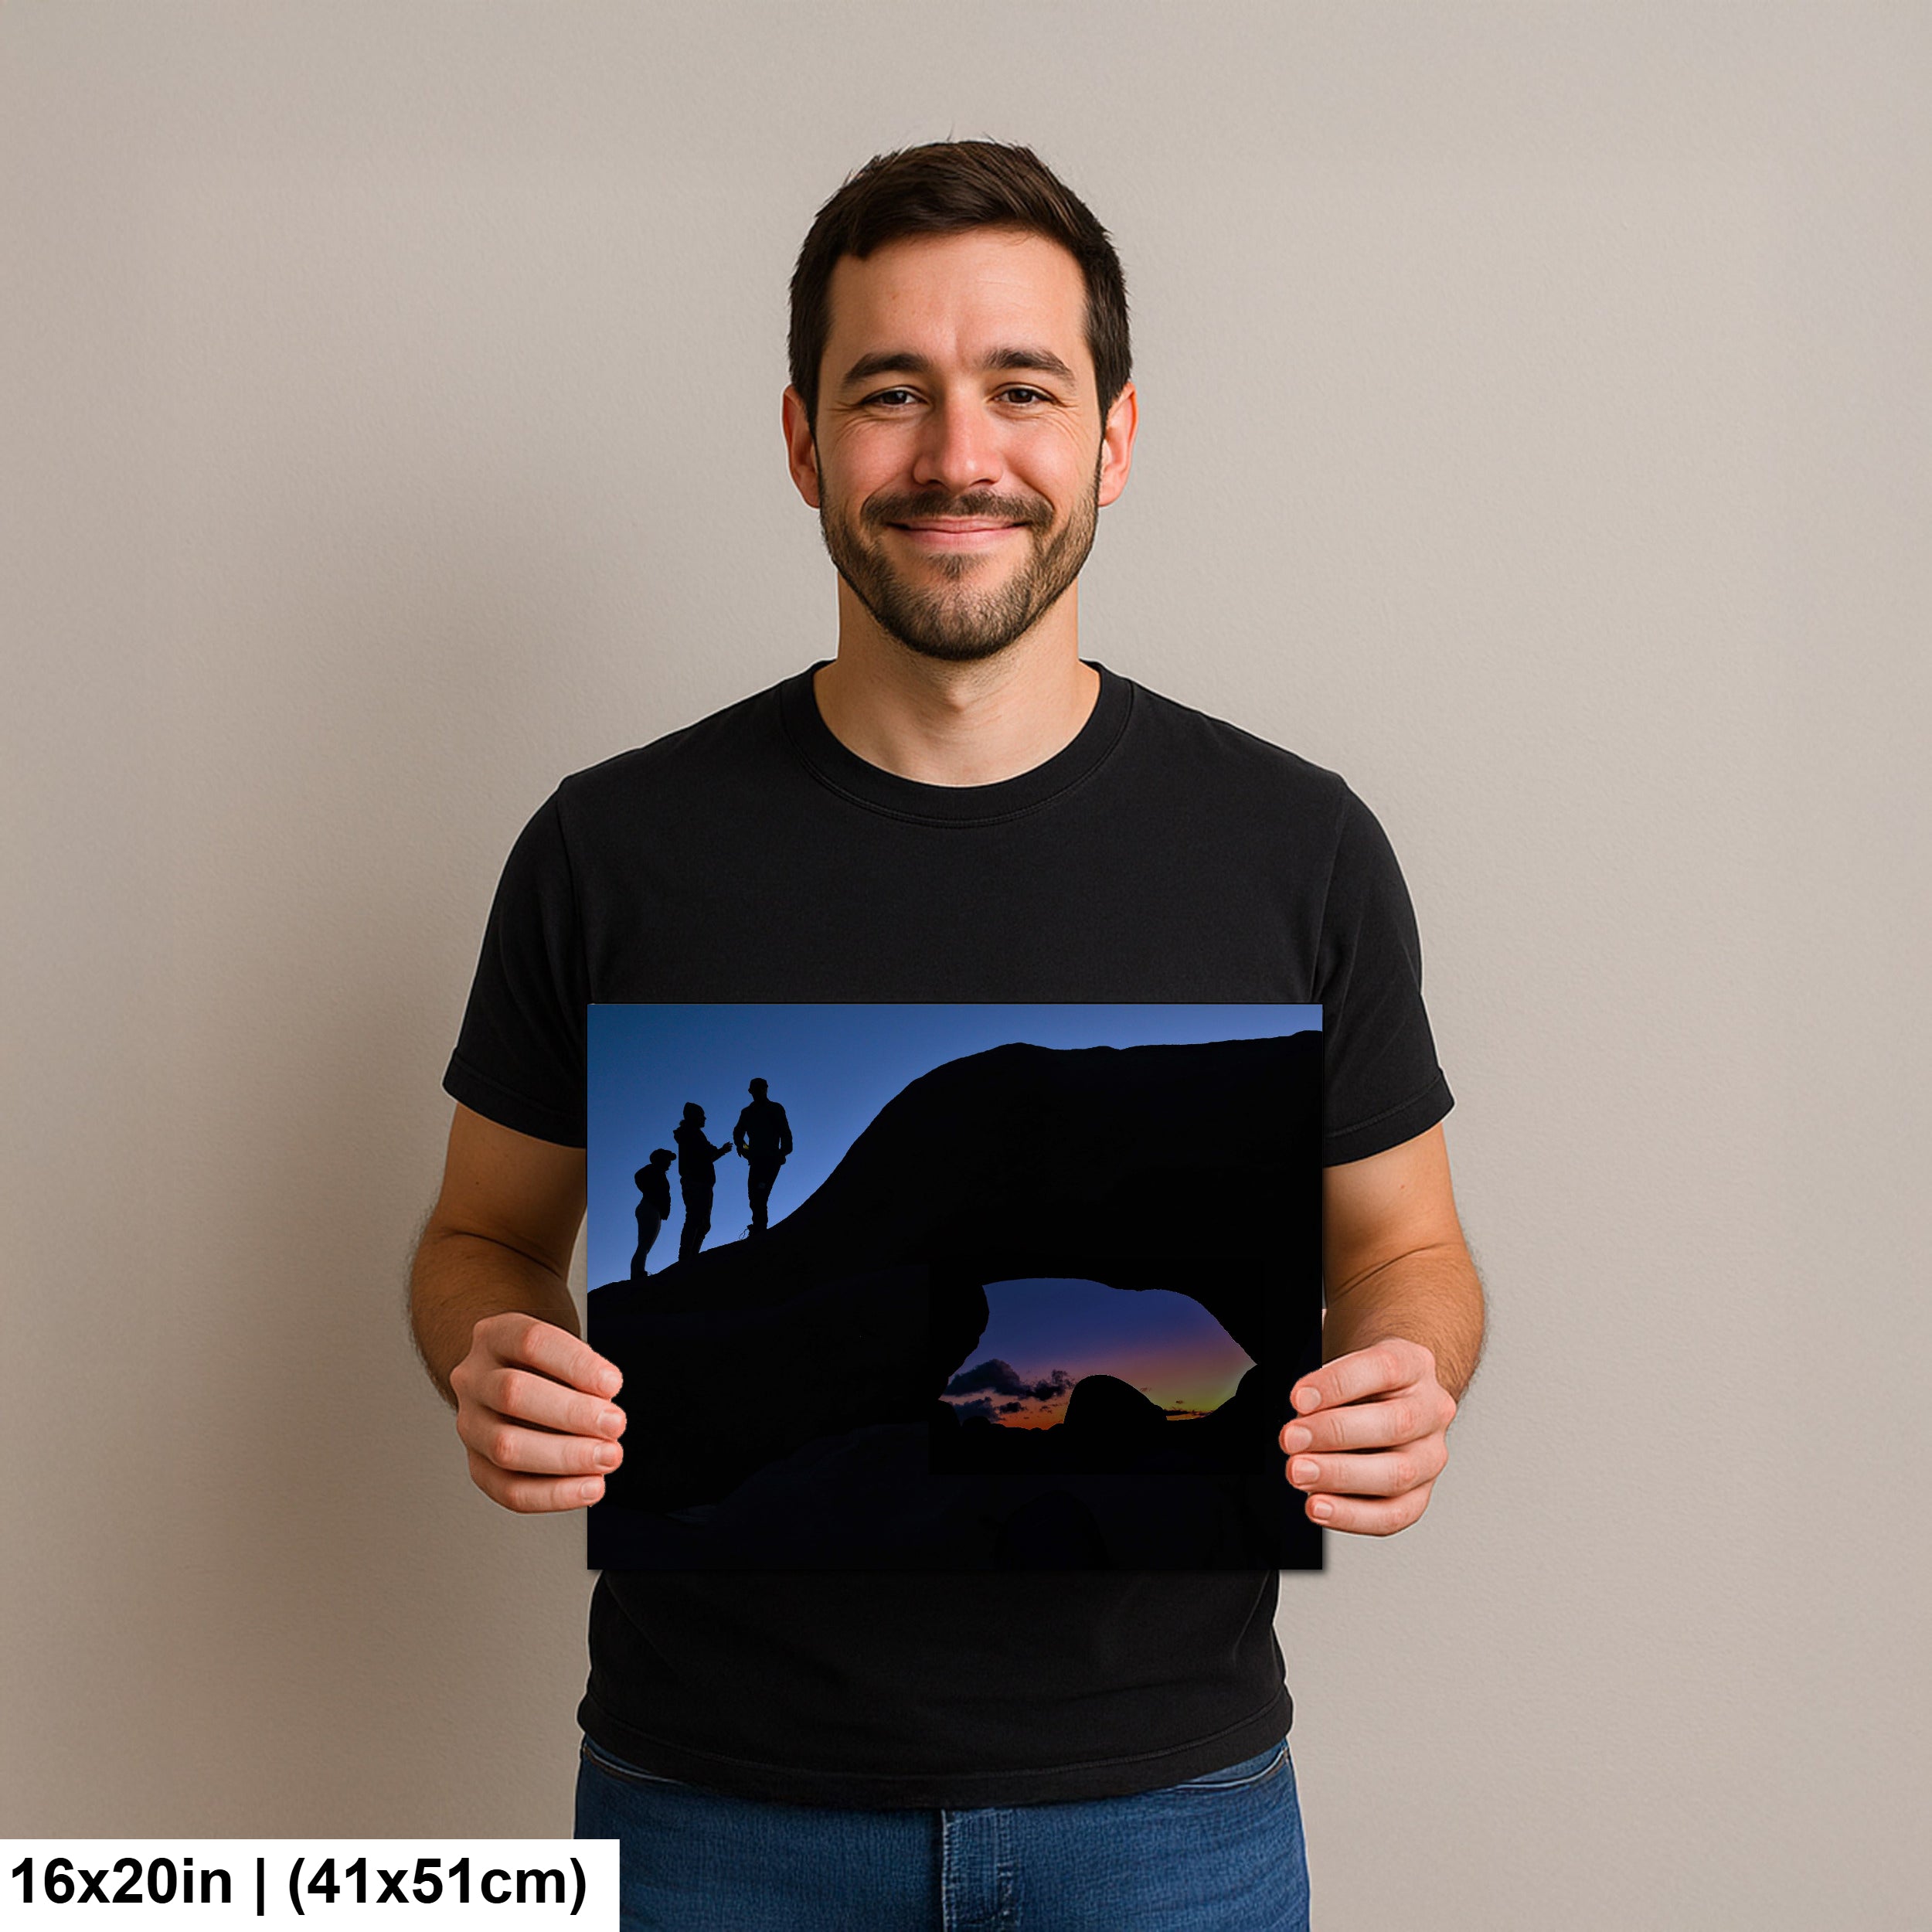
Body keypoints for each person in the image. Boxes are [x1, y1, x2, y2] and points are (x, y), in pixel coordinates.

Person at [410, 139, 1484, 1930]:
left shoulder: (1297, 846)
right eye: (890, 392)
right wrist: (495, 1354)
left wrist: (1407, 1375)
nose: (957, 455)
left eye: (1021, 390)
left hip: (1169, 1819)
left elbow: (1414, 1252)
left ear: (1114, 441)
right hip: (710, 1819)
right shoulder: (615, 847)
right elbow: (478, 1237)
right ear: (802, 440)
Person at [670, 1104, 733, 1264]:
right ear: (693, 1116)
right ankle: (686, 1258)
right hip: (696, 1181)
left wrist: (721, 1152)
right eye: (701, 1115)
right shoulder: (692, 1134)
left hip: (701, 1182)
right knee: (696, 1218)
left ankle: (690, 1257)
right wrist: (720, 1151)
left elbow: (707, 1156)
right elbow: (707, 1154)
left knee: (702, 1222)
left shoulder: (692, 1134)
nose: (705, 1118)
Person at [731, 1076, 792, 1235]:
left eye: (762, 1088)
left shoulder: (775, 1109)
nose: (759, 1091)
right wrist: (745, 1149)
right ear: (751, 1091)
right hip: (756, 1161)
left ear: (766, 1089)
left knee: (760, 1193)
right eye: (756, 1089)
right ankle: (758, 1227)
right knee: (754, 1195)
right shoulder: (747, 1112)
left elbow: (785, 1133)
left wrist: (782, 1152)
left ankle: (759, 1229)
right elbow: (738, 1134)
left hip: (771, 1160)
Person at [628, 1149, 672, 1281]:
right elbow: (639, 1177)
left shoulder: (656, 1172)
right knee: (644, 1244)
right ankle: (637, 1274)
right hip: (650, 1207)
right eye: (668, 1159)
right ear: (660, 1159)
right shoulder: (654, 1171)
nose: (670, 1163)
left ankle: (638, 1272)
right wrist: (652, 1194)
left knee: (645, 1244)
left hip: (651, 1208)